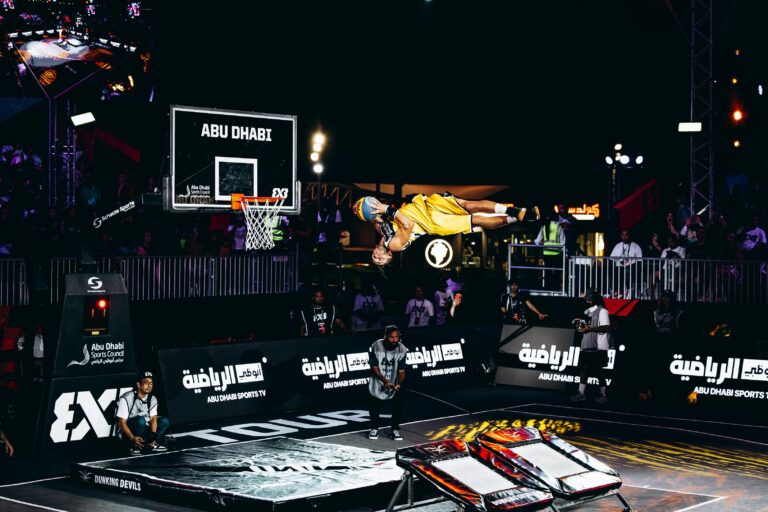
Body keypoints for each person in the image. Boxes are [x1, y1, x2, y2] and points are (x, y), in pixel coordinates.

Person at [361, 194, 538, 266]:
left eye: (374, 257)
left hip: (425, 204)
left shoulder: (381, 231)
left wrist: (361, 209)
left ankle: (515, 212)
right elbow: (408, 225)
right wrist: (388, 210)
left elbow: (371, 213)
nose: (377, 257)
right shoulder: (394, 245)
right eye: (380, 260)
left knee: (471, 204)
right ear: (389, 256)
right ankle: (516, 217)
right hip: (433, 223)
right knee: (476, 219)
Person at [367, 325, 408, 441]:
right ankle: (374, 428)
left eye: (397, 337)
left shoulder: (402, 349)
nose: (394, 340)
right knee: (374, 404)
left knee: (398, 404)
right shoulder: (376, 346)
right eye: (391, 337)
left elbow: (401, 370)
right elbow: (374, 367)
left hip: (394, 380)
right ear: (385, 337)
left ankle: (395, 429)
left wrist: (399, 383)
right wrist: (384, 381)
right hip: (378, 381)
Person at [116, 371, 170, 455]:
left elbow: (153, 418)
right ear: (138, 385)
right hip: (128, 434)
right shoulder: (127, 398)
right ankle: (134, 445)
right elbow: (122, 422)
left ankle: (151, 444)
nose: (149, 386)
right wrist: (132, 438)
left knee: (164, 421)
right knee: (140, 420)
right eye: (146, 383)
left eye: (151, 383)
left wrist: (153, 436)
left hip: (143, 429)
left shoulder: (152, 399)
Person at [571, 290, 611, 404]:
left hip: (599, 346)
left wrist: (590, 329)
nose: (587, 300)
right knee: (583, 369)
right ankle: (581, 393)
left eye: (589, 298)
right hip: (586, 344)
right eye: (587, 298)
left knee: (599, 371)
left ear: (594, 299)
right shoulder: (586, 311)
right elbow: (583, 327)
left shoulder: (603, 311)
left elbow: (606, 328)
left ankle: (603, 395)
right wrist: (581, 328)